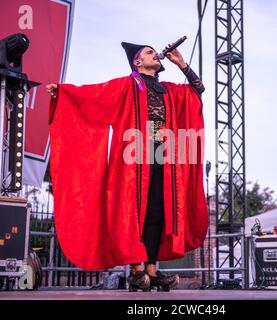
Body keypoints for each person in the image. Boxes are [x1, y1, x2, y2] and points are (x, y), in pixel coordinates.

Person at [46, 41, 208, 291]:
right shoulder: (127, 85)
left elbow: (198, 90)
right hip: (134, 151)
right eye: (148, 51)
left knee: (157, 212)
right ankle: (136, 270)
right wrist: (64, 92)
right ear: (137, 62)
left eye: (155, 51)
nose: (155, 53)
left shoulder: (168, 89)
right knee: (134, 212)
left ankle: (152, 271)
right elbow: (93, 96)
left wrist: (182, 64)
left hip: (161, 149)